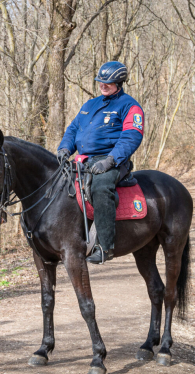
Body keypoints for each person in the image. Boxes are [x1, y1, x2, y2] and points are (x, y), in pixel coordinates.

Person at [57, 61, 144, 264]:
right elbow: (73, 129)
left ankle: (105, 247)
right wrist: (64, 148)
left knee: (101, 187)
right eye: (100, 82)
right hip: (84, 160)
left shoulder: (130, 106)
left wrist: (111, 160)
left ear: (119, 82)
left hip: (112, 161)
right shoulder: (89, 105)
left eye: (108, 82)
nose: (103, 85)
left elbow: (131, 136)